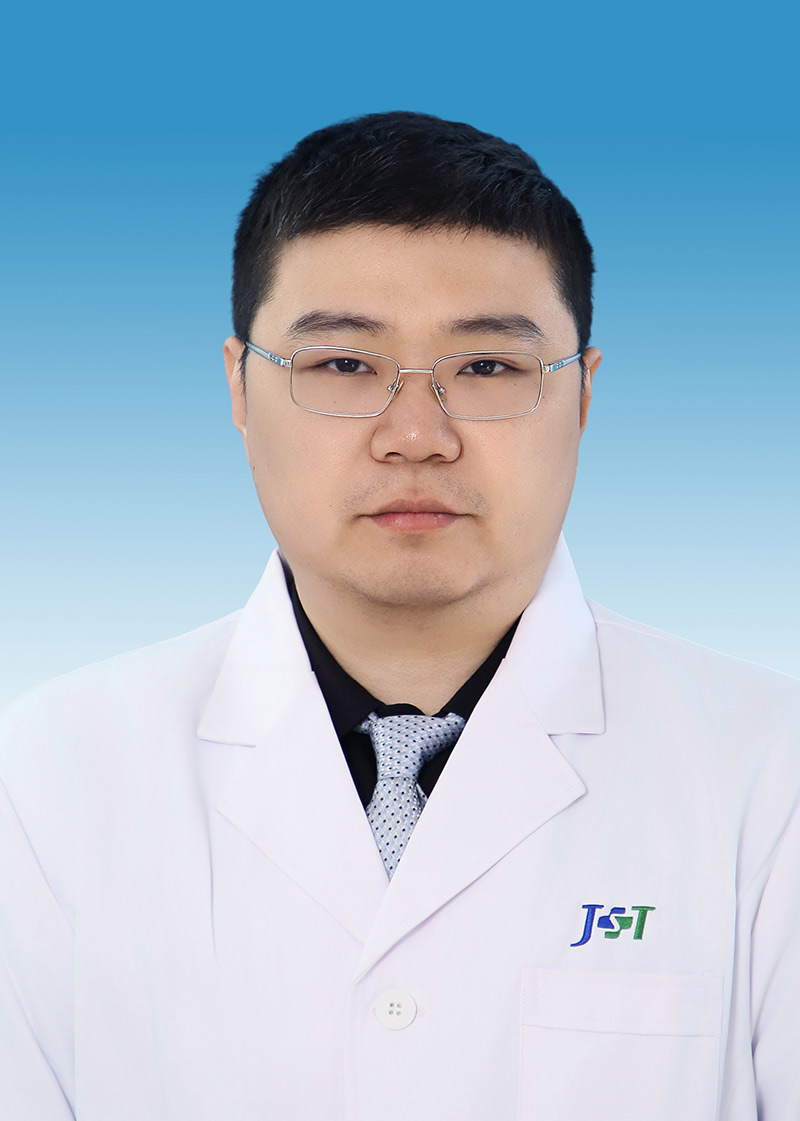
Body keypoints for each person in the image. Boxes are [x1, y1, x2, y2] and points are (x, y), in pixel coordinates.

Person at [0, 111, 798, 1121]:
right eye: (343, 365)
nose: (415, 435)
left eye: (487, 368)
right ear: (239, 386)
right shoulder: (49, 777)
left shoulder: (768, 772)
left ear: (583, 397)